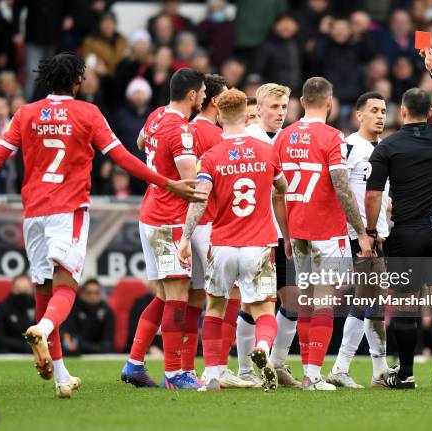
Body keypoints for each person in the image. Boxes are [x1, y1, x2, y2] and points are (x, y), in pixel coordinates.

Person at [0, 53, 205, 398]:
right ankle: (44, 327)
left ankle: (61, 376)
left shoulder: (26, 113)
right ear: (77, 80)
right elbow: (121, 157)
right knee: (65, 289)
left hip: (33, 212)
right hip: (69, 210)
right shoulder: (87, 113)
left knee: (43, 290)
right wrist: (168, 183)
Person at [178, 88, 289, 392]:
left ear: (220, 116)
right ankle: (263, 350)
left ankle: (213, 375)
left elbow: (199, 200)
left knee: (214, 307)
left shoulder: (211, 156)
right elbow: (283, 186)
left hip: (223, 244)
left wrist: (186, 238)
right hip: (258, 243)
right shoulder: (266, 149)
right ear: (246, 114)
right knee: (264, 309)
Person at [365, 48, 432, 392]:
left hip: (406, 234)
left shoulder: (387, 147)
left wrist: (371, 230)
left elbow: (373, 195)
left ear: (401, 112)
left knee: (405, 305)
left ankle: (405, 374)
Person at [274, 78, 373, 390]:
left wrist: (287, 235)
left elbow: (277, 193)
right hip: (326, 230)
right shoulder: (333, 137)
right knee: (324, 301)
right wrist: (361, 230)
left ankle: (308, 373)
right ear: (329, 103)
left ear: (302, 101)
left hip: (297, 229)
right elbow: (342, 188)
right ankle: (314, 375)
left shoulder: (283, 136)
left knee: (305, 302)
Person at [120, 68, 206, 390]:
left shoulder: (156, 116)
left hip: (150, 213)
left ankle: (134, 363)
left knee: (162, 296)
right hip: (169, 219)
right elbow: (191, 183)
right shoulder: (180, 130)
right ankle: (174, 373)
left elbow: (142, 141)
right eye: (202, 94)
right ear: (193, 95)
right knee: (177, 298)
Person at [327, 91, 391, 389]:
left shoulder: (383, 148)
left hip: (376, 235)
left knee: (370, 299)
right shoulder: (350, 146)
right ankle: (361, 368)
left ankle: (360, 369)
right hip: (358, 235)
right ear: (359, 115)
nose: (380, 115)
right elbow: (338, 190)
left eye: (383, 110)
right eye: (374, 110)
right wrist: (361, 232)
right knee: (371, 299)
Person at [240, 83, 301, 388]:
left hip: (277, 235)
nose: (280, 112)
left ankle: (276, 364)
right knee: (252, 305)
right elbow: (279, 194)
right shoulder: (250, 140)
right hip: (254, 236)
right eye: (274, 107)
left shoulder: (283, 138)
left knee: (292, 301)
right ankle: (244, 371)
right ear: (258, 109)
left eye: (283, 107)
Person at [61, 279, 115, 355]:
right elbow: (70, 339)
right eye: (89, 293)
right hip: (77, 353)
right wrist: (95, 348)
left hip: (99, 355)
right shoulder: (72, 310)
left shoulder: (107, 312)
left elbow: (108, 341)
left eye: (96, 293)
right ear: (82, 294)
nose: (93, 296)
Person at [0, 274, 35, 354]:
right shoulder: (2, 308)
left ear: (32, 290)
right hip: (8, 351)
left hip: (33, 351)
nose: (22, 294)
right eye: (18, 290)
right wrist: (23, 346)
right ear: (12, 289)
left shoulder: (38, 307)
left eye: (26, 290)